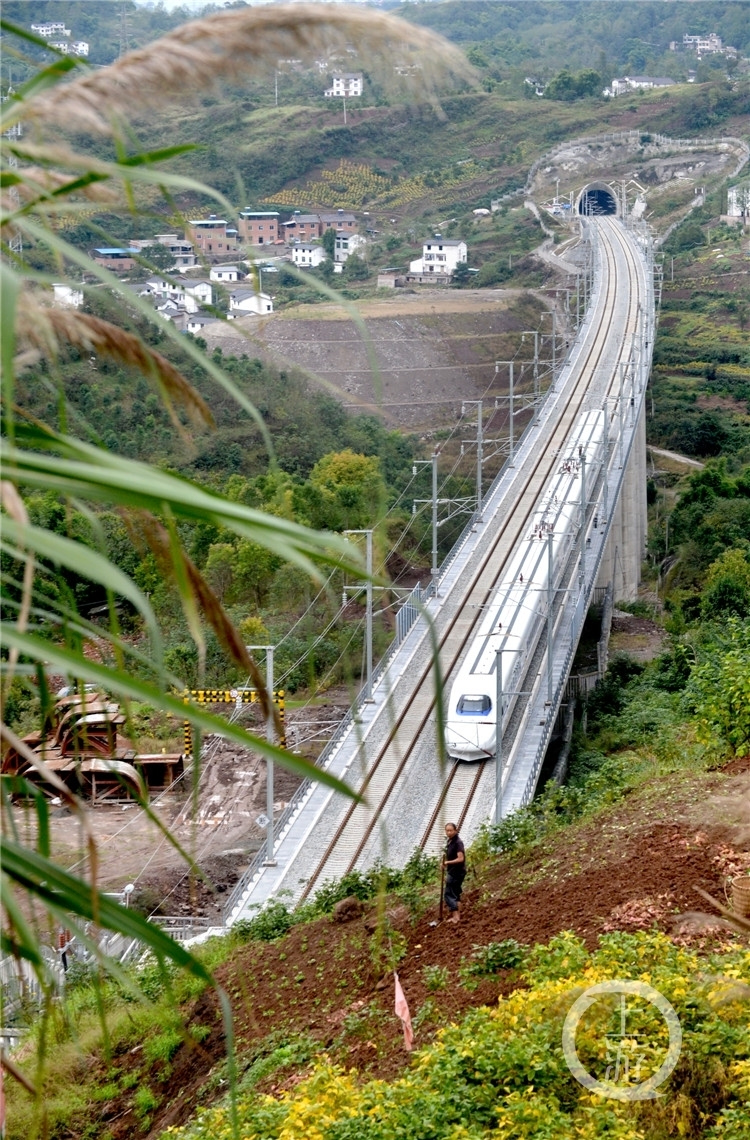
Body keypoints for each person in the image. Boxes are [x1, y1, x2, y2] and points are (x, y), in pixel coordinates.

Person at [443, 822, 466, 924]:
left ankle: (456, 917)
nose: (448, 832)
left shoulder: (458, 842)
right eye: (447, 831)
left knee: (448, 894)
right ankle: (459, 914)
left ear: (455, 830)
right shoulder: (451, 841)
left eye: (450, 830)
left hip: (456, 872)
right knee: (455, 893)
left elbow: (461, 859)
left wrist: (448, 862)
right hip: (454, 871)